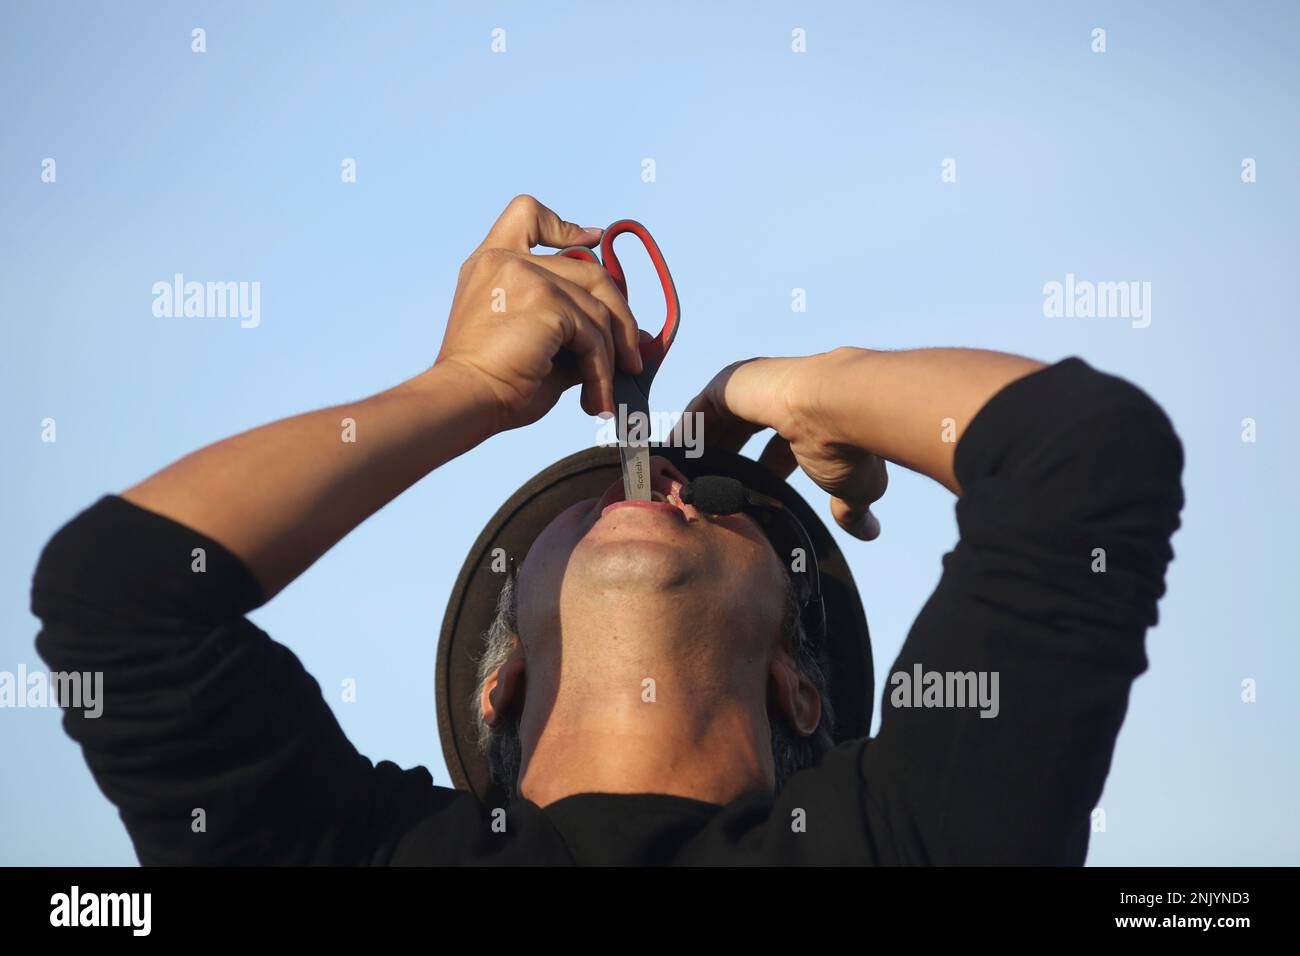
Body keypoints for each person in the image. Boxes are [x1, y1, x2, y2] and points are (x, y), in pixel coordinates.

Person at [32, 196, 1184, 865]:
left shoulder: (908, 840)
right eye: (580, 510)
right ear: (504, 676)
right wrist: (470, 387)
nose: (665, 486)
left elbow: (1085, 450)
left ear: (798, 684)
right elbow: (117, 595)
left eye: (722, 503)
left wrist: (799, 387)